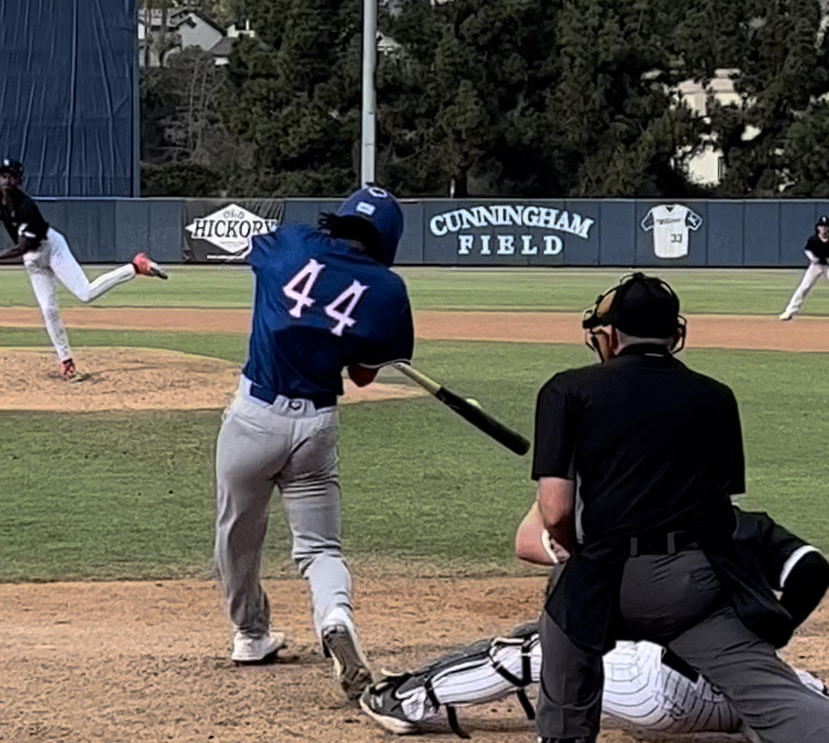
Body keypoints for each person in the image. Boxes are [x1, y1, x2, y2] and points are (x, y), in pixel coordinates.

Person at [530, 271, 829, 742]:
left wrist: (575, 555)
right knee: (779, 701)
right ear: (677, 335)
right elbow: (719, 502)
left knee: (565, 636)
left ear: (610, 336)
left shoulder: (567, 391)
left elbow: (555, 511)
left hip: (604, 580)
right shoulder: (717, 396)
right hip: (696, 582)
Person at [359, 504, 829, 736]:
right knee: (786, 694)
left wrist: (558, 486)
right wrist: (770, 633)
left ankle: (409, 699)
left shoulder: (611, 514)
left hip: (645, 687)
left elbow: (530, 544)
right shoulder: (743, 520)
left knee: (539, 647)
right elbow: (812, 569)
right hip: (726, 698)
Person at [214, 186, 414, 700]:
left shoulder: (292, 242)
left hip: (253, 418)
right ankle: (334, 616)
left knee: (238, 535)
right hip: (315, 428)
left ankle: (251, 635)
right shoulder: (389, 291)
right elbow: (365, 376)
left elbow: (257, 257)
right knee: (321, 548)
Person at [0, 158, 167, 380]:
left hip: (51, 248)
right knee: (48, 310)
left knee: (85, 293)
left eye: (10, 176)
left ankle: (135, 267)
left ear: (19, 180)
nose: (6, 180)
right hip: (33, 262)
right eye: (2, 176)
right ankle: (66, 362)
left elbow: (23, 246)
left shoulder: (26, 207)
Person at [780, 214, 829, 320]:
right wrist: (812, 258)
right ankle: (790, 312)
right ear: (818, 227)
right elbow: (807, 250)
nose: (824, 228)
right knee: (804, 286)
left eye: (826, 226)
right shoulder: (813, 239)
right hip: (816, 265)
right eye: (822, 226)